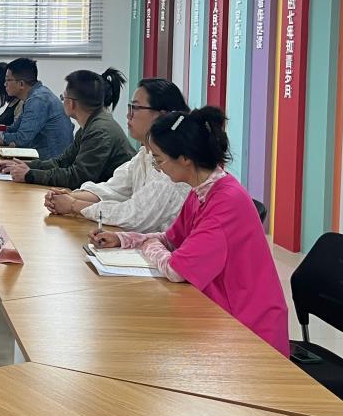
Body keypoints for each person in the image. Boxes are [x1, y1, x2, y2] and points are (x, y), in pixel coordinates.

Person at [90, 107, 290, 357]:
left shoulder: (225, 202)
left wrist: (146, 245)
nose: (158, 168)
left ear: (184, 158)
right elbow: (170, 240)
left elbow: (177, 269)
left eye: (159, 159)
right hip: (222, 316)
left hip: (249, 334)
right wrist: (123, 239)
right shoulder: (202, 190)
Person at [42, 78, 191, 232]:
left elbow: (134, 216)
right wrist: (70, 196)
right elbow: (113, 189)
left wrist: (73, 205)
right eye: (129, 107)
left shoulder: (173, 165)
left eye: (135, 108)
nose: (128, 115)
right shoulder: (145, 155)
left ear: (162, 115)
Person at [0, 68, 134, 187]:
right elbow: (62, 161)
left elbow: (77, 177)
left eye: (63, 97)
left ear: (71, 103)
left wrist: (30, 175)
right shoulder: (90, 125)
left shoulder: (99, 131)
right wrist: (23, 166)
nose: (62, 102)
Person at [0, 58, 72, 158]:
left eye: (8, 80)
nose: (4, 84)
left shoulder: (38, 100)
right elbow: (14, 128)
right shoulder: (34, 96)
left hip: (50, 164)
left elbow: (21, 139)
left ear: (21, 84)